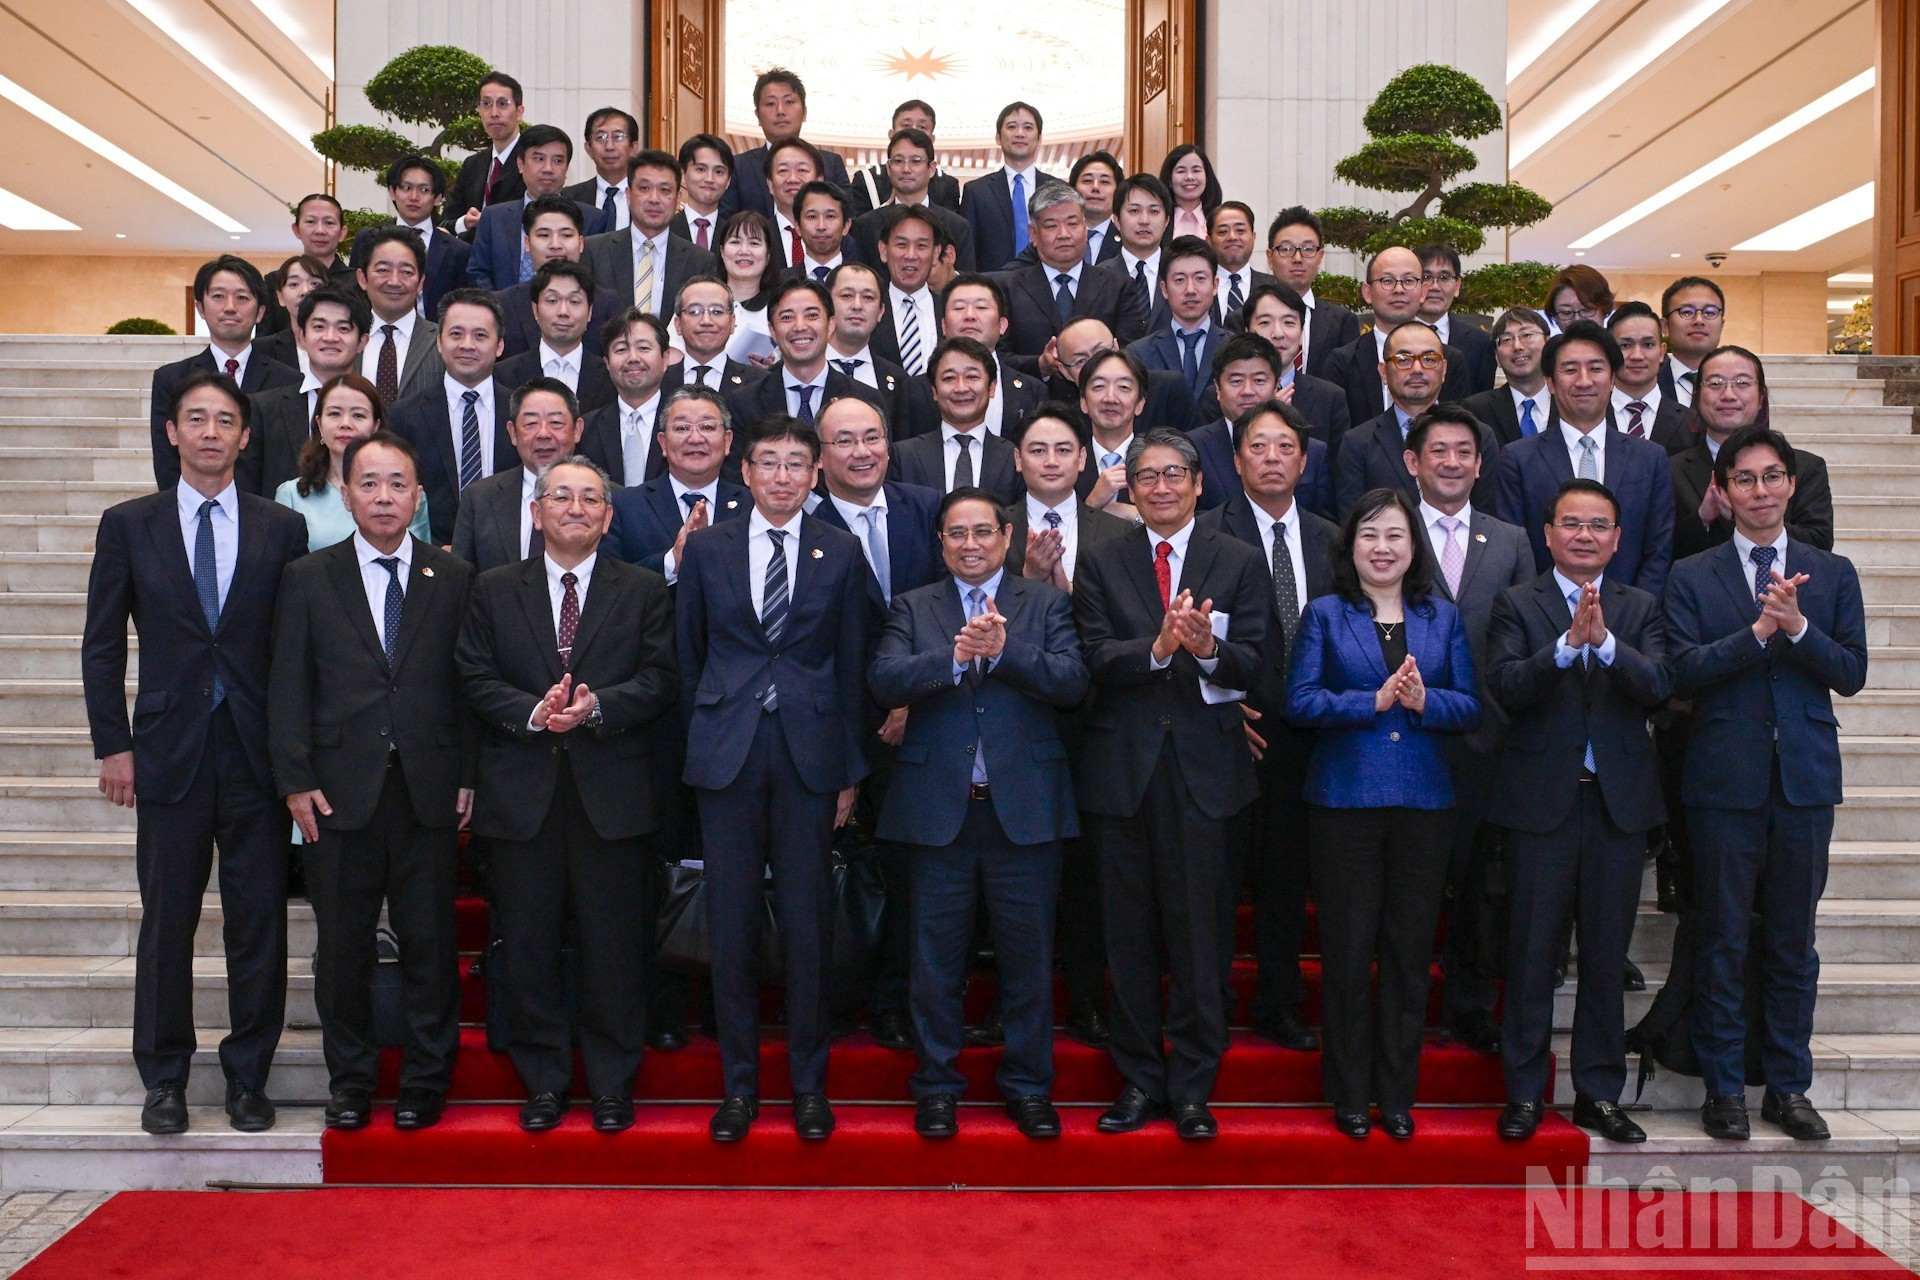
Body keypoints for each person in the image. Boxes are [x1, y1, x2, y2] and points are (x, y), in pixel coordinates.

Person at [82, 372, 309, 1135]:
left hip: (253, 755)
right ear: (172, 432)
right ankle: (166, 1079)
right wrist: (113, 744)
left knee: (258, 923)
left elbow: (291, 650)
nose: (211, 432)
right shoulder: (129, 524)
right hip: (167, 750)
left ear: (246, 437)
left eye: (225, 421)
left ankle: (249, 1076)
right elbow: (102, 646)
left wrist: (294, 757)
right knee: (168, 920)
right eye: (196, 420)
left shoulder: (281, 527)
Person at [455, 455, 679, 1134]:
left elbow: (661, 677)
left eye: (590, 499)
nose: (576, 508)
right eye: (562, 497)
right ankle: (545, 1082)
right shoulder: (493, 589)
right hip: (521, 799)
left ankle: (613, 1085)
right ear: (536, 512)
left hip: (612, 799)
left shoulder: (641, 589)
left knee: (616, 948)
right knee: (526, 946)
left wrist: (598, 707)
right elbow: (471, 671)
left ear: (608, 518)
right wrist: (531, 710)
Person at [1663, 425, 1867, 1142]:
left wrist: (1801, 629)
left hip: (1805, 783)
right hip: (1723, 783)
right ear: (1722, 490)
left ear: (1791, 485)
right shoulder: (1692, 575)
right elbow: (1680, 672)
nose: (1760, 491)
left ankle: (1788, 1085)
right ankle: (1723, 1088)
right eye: (1743, 479)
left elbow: (1852, 673)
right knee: (1720, 938)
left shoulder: (1831, 572)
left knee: (1792, 942)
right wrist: (1755, 633)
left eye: (1772, 477)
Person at [868, 487, 1088, 1139]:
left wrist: (1003, 652)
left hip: (1026, 811)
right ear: (940, 544)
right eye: (956, 534)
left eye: (982, 532)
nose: (970, 544)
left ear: (1006, 536)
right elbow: (883, 680)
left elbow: (1073, 682)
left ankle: (1027, 1086)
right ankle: (936, 1086)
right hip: (938, 812)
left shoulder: (1044, 603)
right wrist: (955, 658)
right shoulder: (914, 606)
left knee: (1027, 958)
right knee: (934, 961)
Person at [269, 431, 472, 1132]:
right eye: (370, 484)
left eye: (398, 485)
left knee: (429, 944)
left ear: (419, 497)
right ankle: (351, 1080)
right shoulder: (306, 577)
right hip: (335, 793)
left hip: (427, 789)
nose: (384, 497)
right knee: (343, 949)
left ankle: (424, 1078)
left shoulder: (454, 577)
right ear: (347, 493)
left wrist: (467, 773)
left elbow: (466, 687)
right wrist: (294, 782)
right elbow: (288, 686)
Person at [676, 417, 872, 1143]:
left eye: (797, 464)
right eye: (770, 463)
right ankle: (738, 1089)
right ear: (746, 474)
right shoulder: (707, 549)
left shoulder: (840, 551)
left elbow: (852, 666)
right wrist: (699, 748)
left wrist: (850, 769)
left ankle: (809, 1088)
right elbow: (687, 655)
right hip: (727, 755)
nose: (784, 476)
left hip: (810, 755)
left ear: (815, 474)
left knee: (807, 924)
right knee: (728, 927)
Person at [1073, 428, 1268, 1141]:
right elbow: (1093, 656)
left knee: (1199, 936)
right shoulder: (1101, 559)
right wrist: (1155, 650)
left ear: (1197, 483)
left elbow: (1259, 662)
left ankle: (1191, 1086)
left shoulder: (1239, 560)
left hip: (1206, 774)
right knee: (1125, 936)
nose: (1159, 487)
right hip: (1121, 774)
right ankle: (1136, 1081)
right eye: (1146, 476)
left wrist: (1210, 649)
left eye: (1173, 474)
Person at [1285, 487, 1479, 1140]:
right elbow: (1301, 703)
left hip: (1424, 806)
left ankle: (1396, 1093)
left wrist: (1426, 702)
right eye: (1369, 535)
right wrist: (1367, 703)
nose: (1382, 548)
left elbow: (1470, 706)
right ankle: (1347, 1093)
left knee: (1406, 954)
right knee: (1346, 952)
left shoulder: (1441, 618)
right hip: (1344, 804)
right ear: (1351, 546)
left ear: (1413, 546)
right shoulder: (1325, 614)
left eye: (1395, 535)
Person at [1488, 477, 1671, 1144]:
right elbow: (1505, 686)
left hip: (1617, 811)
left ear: (1617, 539)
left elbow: (1658, 686)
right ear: (1548, 533)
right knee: (1533, 954)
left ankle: (1598, 1093)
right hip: (1542, 809)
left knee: (1603, 958)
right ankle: (1526, 1095)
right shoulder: (1517, 603)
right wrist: (1566, 646)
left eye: (1599, 525)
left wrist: (1608, 647)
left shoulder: (1642, 606)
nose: (1585, 535)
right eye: (1572, 523)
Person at [1197, 399, 1339, 1051]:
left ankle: (1279, 1001)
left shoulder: (1334, 538)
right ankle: (1212, 1001)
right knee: (1216, 880)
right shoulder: (1206, 535)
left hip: (1309, 739)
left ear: (1305, 462)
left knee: (1287, 881)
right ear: (1235, 461)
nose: (1273, 458)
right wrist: (1228, 706)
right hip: (1227, 730)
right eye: (1259, 446)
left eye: (1286, 447)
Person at [1403, 406, 1535, 1057]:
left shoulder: (1509, 540)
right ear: (1413, 462)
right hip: (1404, 736)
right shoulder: (1386, 532)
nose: (1452, 463)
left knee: (1483, 884)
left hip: (1489, 738)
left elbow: (1521, 634)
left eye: (1464, 452)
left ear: (1480, 465)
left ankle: (1471, 1003)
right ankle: (1399, 1005)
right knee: (1412, 880)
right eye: (1439, 452)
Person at [1004, 404, 1133, 1047]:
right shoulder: (986, 530)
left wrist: (1066, 587)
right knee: (1011, 868)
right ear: (1018, 460)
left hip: (1097, 725)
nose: (1050, 460)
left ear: (1085, 461)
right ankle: (1006, 1001)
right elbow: (966, 625)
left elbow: (1125, 632)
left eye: (1063, 450)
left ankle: (1085, 996)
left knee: (1087, 871)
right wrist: (1027, 584)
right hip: (1013, 724)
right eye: (1037, 450)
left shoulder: (1117, 536)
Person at [1495, 321, 1675, 595]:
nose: (1584, 381)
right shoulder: (1518, 458)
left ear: (1613, 379)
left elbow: (1658, 551)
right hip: (1543, 620)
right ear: (1551, 383)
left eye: (1596, 368)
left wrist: (1631, 612)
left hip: (1629, 621)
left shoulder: (1649, 458)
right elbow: (1515, 554)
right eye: (1570, 370)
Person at [1670, 345, 1834, 559]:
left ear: (1761, 396)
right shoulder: (1670, 470)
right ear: (1698, 395)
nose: (1728, 395)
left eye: (1742, 383)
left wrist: (1747, 518)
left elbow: (1819, 543)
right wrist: (1702, 519)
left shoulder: (1805, 467)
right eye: (1716, 383)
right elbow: (1660, 550)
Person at [151, 256, 299, 489]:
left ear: (260, 312)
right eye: (218, 296)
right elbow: (166, 461)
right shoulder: (171, 379)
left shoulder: (289, 380)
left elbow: (288, 463)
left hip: (268, 516)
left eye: (242, 298)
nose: (230, 307)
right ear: (200, 307)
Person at [1332, 320, 1497, 519]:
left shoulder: (1479, 435)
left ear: (1444, 369)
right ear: (1383, 372)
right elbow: (1352, 523)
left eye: (1429, 359)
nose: (1417, 369)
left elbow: (1488, 515)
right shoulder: (1358, 443)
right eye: (1403, 360)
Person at [388, 289, 516, 545]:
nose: (467, 345)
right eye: (456, 334)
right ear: (439, 342)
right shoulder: (403, 416)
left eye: (480, 335)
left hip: (510, 556)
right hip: (431, 557)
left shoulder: (522, 411)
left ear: (499, 346)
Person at [718, 279, 886, 453]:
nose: (800, 326)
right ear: (772, 331)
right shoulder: (743, 403)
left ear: (830, 325)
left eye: (812, 315)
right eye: (787, 317)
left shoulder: (865, 400)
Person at [1320, 247, 1475, 432]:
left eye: (1409, 281)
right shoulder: (1342, 362)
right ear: (1367, 292)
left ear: (1423, 292)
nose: (1399, 289)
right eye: (1387, 281)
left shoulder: (1450, 359)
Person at [275, 374, 432, 550]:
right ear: (319, 424)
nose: (345, 424)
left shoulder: (404, 493)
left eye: (358, 415)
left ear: (375, 426)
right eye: (334, 414)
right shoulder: (291, 495)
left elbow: (420, 559)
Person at [1189, 331, 1333, 521]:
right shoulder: (1191, 447)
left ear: (1276, 386)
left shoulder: (1312, 451)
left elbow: (1323, 525)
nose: (1247, 391)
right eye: (1236, 381)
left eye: (1259, 380)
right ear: (1217, 388)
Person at [242, 287, 371, 498]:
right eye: (319, 326)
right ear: (301, 336)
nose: (330, 337)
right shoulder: (262, 410)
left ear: (362, 342)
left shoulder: (379, 411)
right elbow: (248, 492)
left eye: (344, 329)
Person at [452, 378, 587, 572]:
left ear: (577, 430)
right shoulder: (480, 499)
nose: (543, 434)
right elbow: (461, 581)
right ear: (513, 433)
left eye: (556, 423)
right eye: (531, 423)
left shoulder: (610, 498)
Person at [998, 182, 1147, 357]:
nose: (1064, 234)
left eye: (1072, 223)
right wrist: (1040, 366)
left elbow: (1132, 354)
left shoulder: (1118, 286)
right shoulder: (1008, 288)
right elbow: (1000, 357)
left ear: (1085, 229)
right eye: (1052, 226)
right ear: (1033, 234)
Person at [467, 125, 606, 290]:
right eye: (539, 159)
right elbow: (478, 273)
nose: (548, 169)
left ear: (566, 168)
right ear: (520, 164)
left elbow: (596, 278)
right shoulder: (494, 217)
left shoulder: (592, 219)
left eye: (558, 161)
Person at [581, 150, 719, 316]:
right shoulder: (593, 251)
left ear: (677, 199)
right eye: (645, 188)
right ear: (629, 195)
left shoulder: (700, 261)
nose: (654, 199)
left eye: (665, 190)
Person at [891, 337, 1022, 506]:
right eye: (949, 378)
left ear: (991, 387)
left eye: (972, 376)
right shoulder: (903, 456)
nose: (961, 388)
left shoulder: (1013, 457)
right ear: (934, 392)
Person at [491, 197, 625, 361]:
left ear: (581, 243)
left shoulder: (608, 305)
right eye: (544, 235)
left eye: (566, 235)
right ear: (527, 243)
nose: (555, 245)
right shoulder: (502, 305)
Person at [719, 67, 852, 222]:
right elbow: (726, 223)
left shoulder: (831, 164)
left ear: (804, 112)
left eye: (789, 102)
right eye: (770, 103)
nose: (780, 111)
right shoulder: (738, 166)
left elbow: (848, 221)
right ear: (757, 115)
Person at [348, 155, 472, 320]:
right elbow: (354, 295)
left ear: (437, 198)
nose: (414, 197)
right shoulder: (368, 238)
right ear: (392, 192)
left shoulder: (458, 250)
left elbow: (462, 306)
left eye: (424, 190)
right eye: (406, 188)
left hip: (433, 339)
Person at [824, 263, 939, 438]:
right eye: (846, 295)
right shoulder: (802, 371)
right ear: (826, 305)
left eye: (868, 297)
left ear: (880, 312)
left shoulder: (899, 381)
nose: (857, 305)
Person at [493, 261, 618, 413]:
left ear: (590, 311)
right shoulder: (503, 375)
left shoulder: (612, 376)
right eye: (552, 301)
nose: (563, 311)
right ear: (535, 310)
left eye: (574, 301)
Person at [1238, 283, 1350, 446]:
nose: (1278, 333)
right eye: (1265, 323)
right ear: (1247, 332)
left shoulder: (1330, 398)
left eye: (1288, 323)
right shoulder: (1224, 395)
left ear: (1301, 333)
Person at [850, 128, 974, 272]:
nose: (906, 169)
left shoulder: (957, 227)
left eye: (915, 161)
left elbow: (966, 284)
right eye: (898, 161)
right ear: (889, 169)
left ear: (931, 169)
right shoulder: (866, 226)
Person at [1126, 236, 1227, 413]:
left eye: (1200, 278)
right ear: (1164, 289)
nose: (1190, 290)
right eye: (1180, 280)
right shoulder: (1139, 353)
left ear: (1215, 285)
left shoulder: (1233, 348)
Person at [937, 273, 1048, 430]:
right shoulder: (916, 389)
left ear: (1002, 325)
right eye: (959, 308)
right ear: (943, 325)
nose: (969, 316)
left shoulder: (1032, 390)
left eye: (981, 307)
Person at [578, 309, 671, 485]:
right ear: (607, 363)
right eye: (621, 349)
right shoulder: (587, 429)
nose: (633, 358)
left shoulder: (684, 424)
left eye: (643, 348)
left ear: (666, 358)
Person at [1264, 208, 1360, 378]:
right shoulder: (1243, 318)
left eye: (1308, 249)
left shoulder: (1342, 322)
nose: (1298, 258)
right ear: (1270, 258)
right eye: (1286, 249)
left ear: (1320, 257)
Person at [963, 102, 1059, 271]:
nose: (1020, 133)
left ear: (1039, 139)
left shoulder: (1058, 189)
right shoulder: (976, 191)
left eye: (1028, 128)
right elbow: (969, 252)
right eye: (1012, 127)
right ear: (998, 137)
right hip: (993, 287)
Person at [356, 227, 443, 404]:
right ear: (362, 279)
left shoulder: (442, 341)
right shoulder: (344, 339)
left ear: (420, 283)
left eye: (406, 272)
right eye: (383, 270)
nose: (394, 281)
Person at [445, 71, 527, 235]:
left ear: (519, 112)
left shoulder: (530, 160)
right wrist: (465, 223)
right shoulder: (472, 165)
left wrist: (488, 220)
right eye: (487, 104)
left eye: (503, 104)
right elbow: (446, 221)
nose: (494, 113)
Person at [261, 194, 356, 334]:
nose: (320, 230)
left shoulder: (358, 282)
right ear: (296, 230)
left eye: (329, 223)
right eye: (311, 221)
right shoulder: (274, 281)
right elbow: (264, 339)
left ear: (342, 233)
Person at [871, 206, 948, 375]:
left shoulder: (949, 311)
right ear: (884, 251)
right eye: (901, 244)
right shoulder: (868, 310)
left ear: (935, 254)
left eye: (921, 245)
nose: (911, 255)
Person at [848, 100, 962, 215]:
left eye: (922, 127)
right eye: (906, 125)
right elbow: (857, 227)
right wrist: (890, 204)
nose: (913, 131)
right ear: (891, 134)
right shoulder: (867, 180)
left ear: (932, 139)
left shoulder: (947, 185)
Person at [1606, 302, 1690, 453]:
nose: (1637, 356)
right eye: (1625, 345)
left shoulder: (1691, 423)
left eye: (1648, 344)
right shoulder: (1587, 417)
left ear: (1662, 352)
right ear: (1609, 352)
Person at [1461, 308, 1552, 445]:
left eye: (1527, 335)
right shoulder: (1475, 410)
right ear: (1497, 357)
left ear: (1548, 344)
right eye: (1506, 340)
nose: (1517, 346)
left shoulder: (1571, 402)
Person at [1413, 243, 1494, 394]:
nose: (1434, 286)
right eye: (1425, 277)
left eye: (1444, 277)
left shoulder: (1481, 344)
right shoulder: (1392, 338)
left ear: (1457, 286)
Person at [664, 276, 759, 395]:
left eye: (717, 311)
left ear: (732, 322)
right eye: (694, 312)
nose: (706, 321)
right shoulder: (657, 380)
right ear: (678, 325)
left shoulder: (759, 382)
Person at [1095, 174, 1171, 322]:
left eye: (1154, 211)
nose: (1144, 220)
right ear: (1116, 220)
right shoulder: (1099, 277)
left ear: (1166, 221)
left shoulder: (1180, 273)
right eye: (1134, 211)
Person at [715, 211, 784, 365]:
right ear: (722, 252)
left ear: (768, 255)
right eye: (735, 242)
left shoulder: (781, 311)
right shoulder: (698, 298)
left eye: (754, 243)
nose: (744, 251)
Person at [561, 107, 640, 231]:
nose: (609, 146)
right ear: (588, 148)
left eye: (618, 137)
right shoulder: (569, 198)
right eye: (600, 137)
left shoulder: (645, 197)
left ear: (633, 148)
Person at [1660, 277, 1727, 408]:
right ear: (1665, 326)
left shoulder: (1745, 385)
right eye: (1686, 312)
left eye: (1710, 312)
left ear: (1721, 324)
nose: (1699, 320)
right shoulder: (1647, 382)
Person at [1208, 201, 1274, 322]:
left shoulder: (1275, 287)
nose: (1232, 237)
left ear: (1253, 237)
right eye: (1223, 231)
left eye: (1240, 230)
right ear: (1209, 240)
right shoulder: (1199, 288)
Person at [671, 134, 734, 248]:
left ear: (728, 181)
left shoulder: (734, 235)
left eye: (718, 172)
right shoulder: (665, 229)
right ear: (683, 175)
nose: (710, 179)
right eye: (701, 169)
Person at [1160, 144, 1220, 241]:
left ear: (1207, 177)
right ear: (1169, 180)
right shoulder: (1159, 219)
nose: (1189, 177)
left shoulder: (1219, 219)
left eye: (1196, 170)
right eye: (1181, 171)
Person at [1545, 264, 1614, 334]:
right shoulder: (1552, 344)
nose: (1577, 319)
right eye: (1566, 312)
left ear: (1604, 310)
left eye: (1586, 310)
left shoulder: (1619, 343)